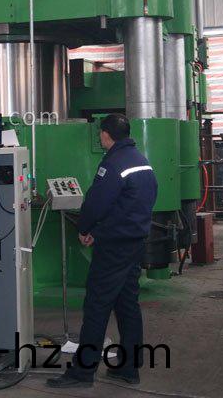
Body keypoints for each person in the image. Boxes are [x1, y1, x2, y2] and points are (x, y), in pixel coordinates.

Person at [47, 113, 158, 388]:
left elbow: (96, 203)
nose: (100, 137)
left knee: (97, 305)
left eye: (100, 133)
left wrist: (85, 228)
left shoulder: (113, 163)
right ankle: (129, 368)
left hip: (113, 247)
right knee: (127, 304)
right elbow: (136, 203)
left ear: (106, 134)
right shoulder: (142, 161)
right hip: (135, 243)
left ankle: (82, 372)